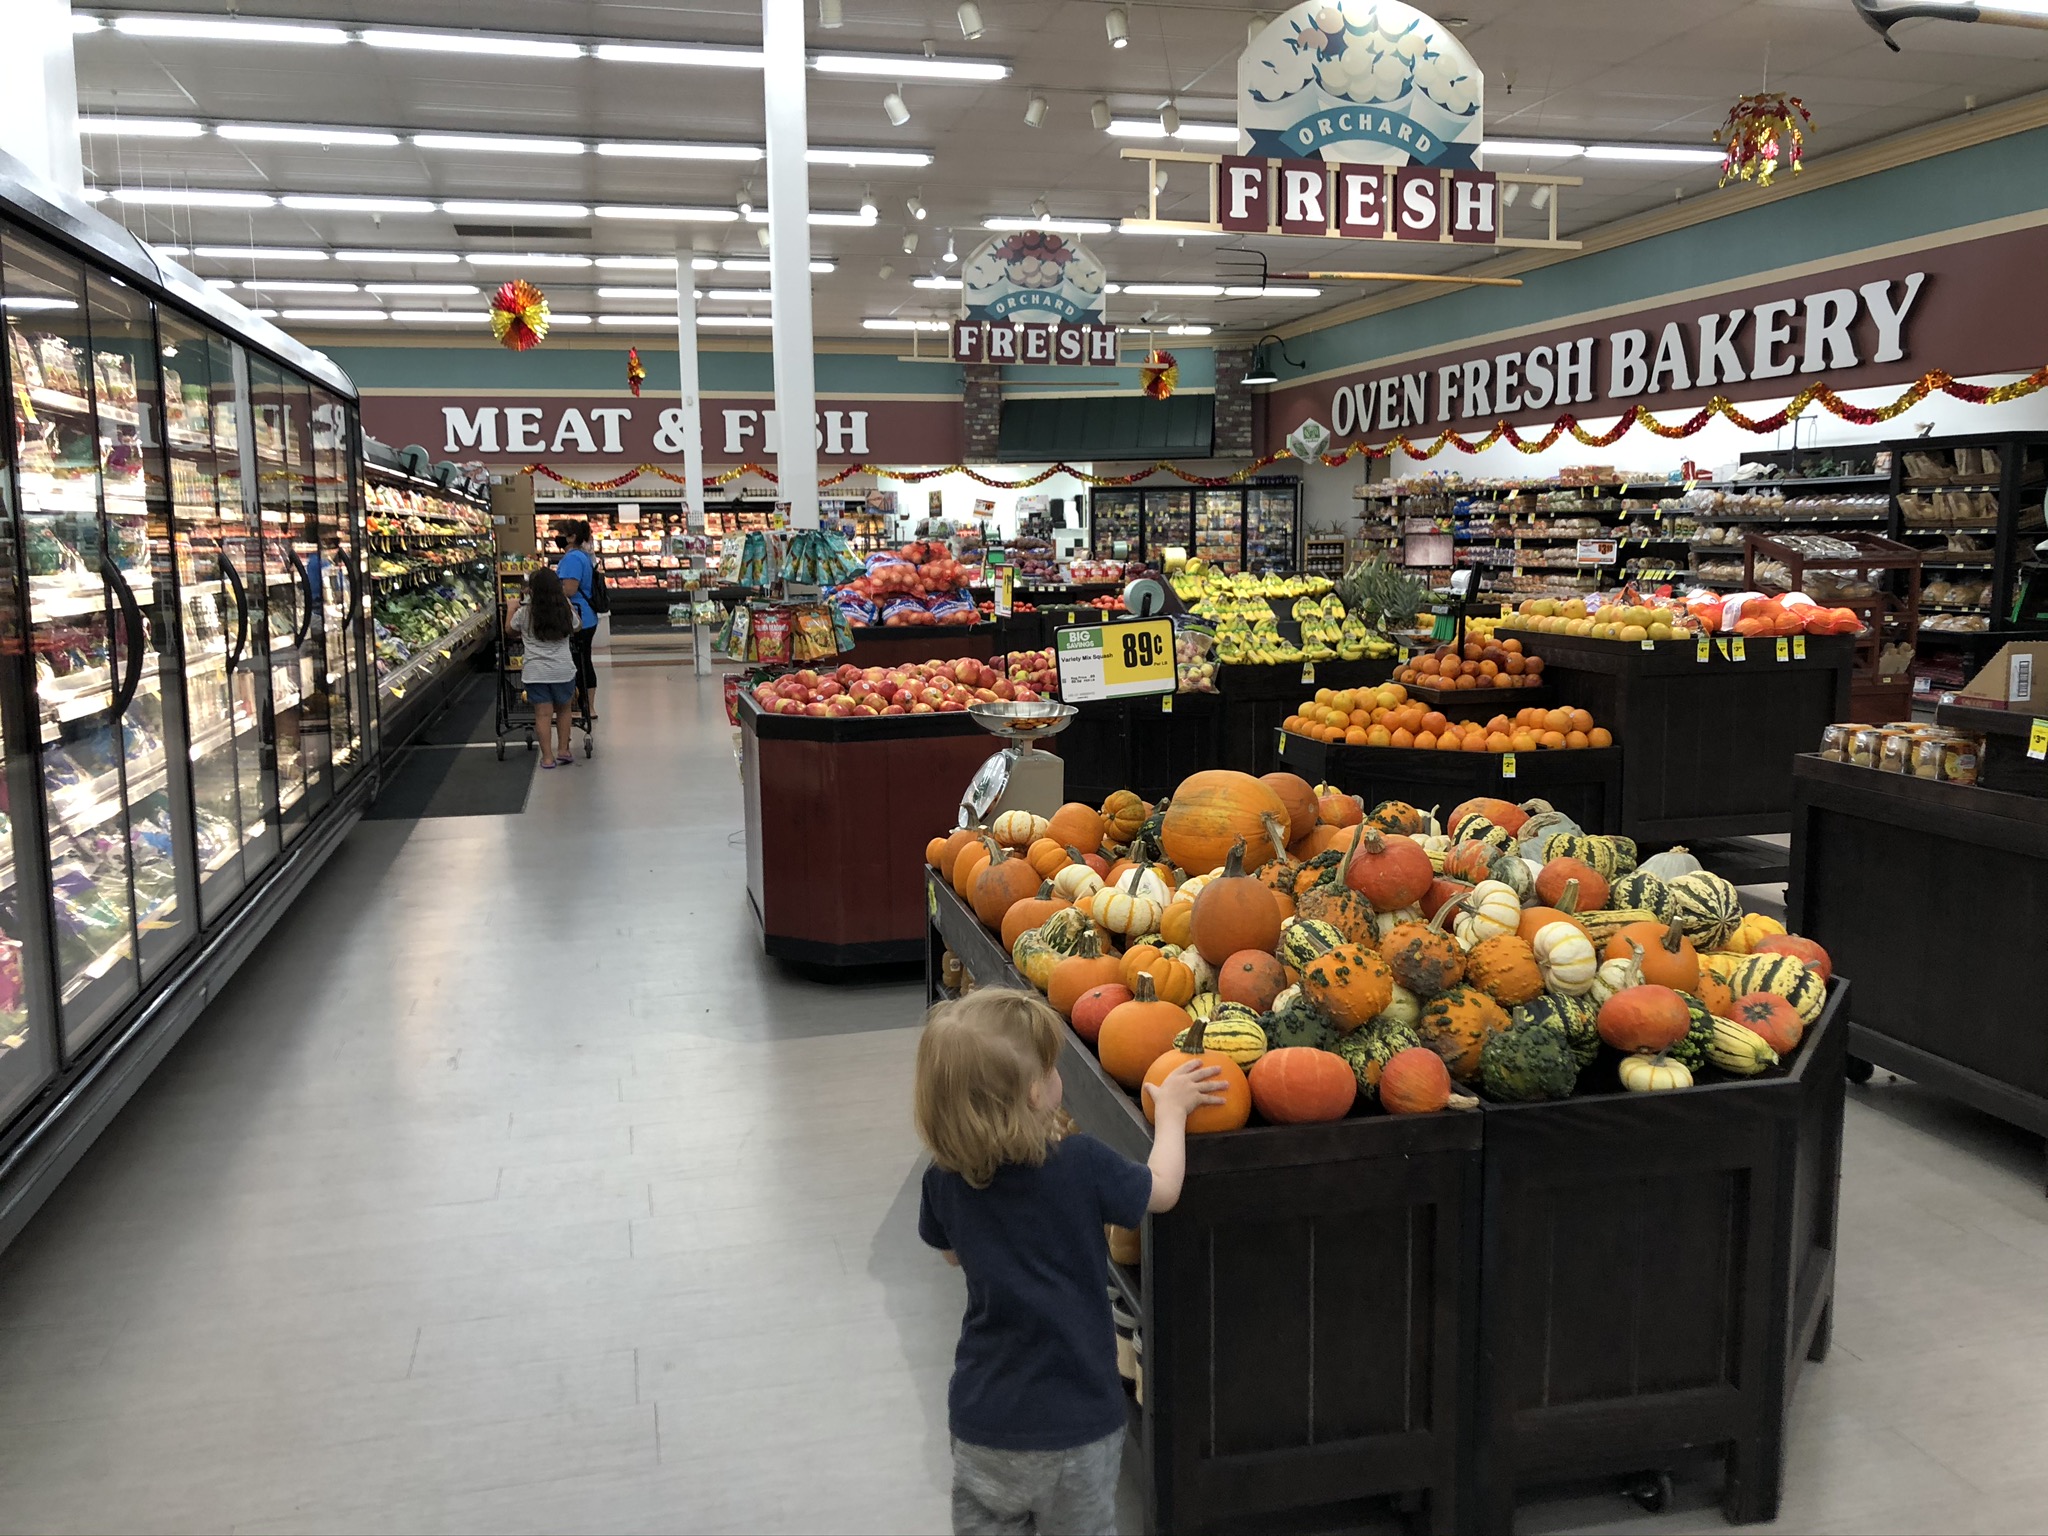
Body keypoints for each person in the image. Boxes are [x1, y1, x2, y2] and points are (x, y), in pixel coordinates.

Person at [914, 989, 1224, 1536]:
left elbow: (950, 1254)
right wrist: (1172, 1113)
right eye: (1052, 1065)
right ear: (1035, 1091)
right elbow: (1163, 1190)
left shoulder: (943, 1180)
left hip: (985, 1420)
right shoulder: (1080, 1164)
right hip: (1078, 1420)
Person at [508, 566, 580, 767]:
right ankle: (564, 750)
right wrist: (569, 605)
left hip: (535, 672)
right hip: (563, 670)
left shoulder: (524, 613)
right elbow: (578, 626)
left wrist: (511, 608)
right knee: (564, 710)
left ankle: (547, 757)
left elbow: (510, 630)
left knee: (542, 714)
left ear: (531, 590)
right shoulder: (563, 611)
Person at [553, 520, 600, 721]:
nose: (556, 537)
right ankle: (587, 706)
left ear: (571, 537)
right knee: (584, 661)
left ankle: (582, 706)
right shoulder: (583, 556)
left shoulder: (572, 559)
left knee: (578, 663)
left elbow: (570, 589)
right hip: (586, 616)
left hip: (578, 617)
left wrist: (547, 591)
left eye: (560, 533)